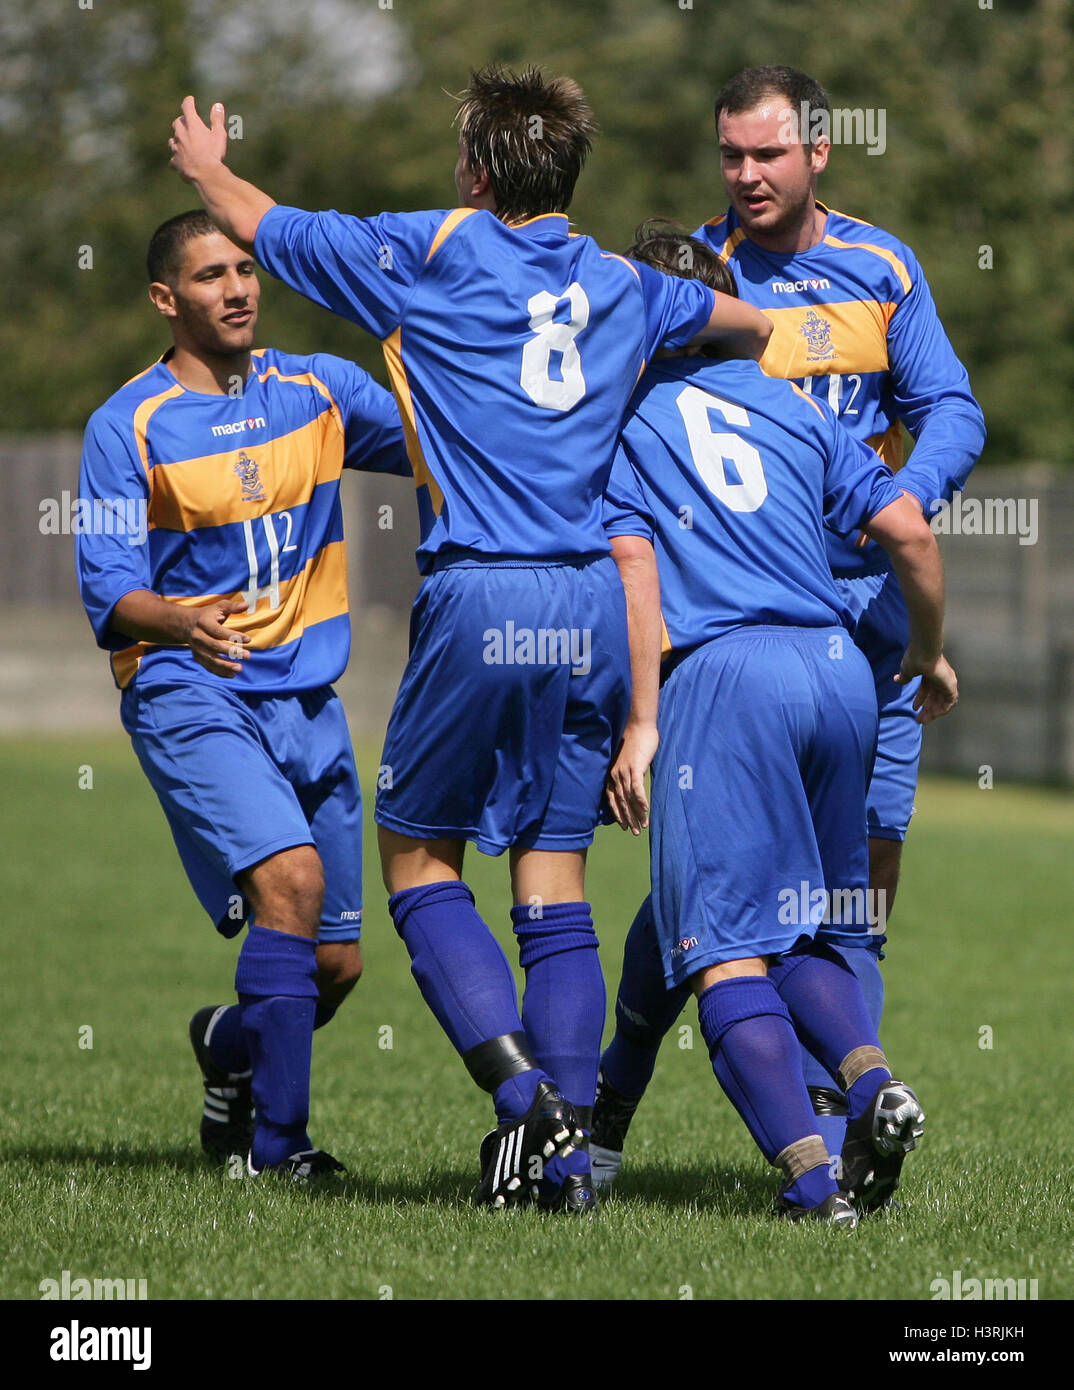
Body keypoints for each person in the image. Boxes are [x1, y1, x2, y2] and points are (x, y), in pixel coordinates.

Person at [167, 65, 772, 1211]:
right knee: (554, 879)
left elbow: (268, 224)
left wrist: (206, 168)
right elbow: (746, 321)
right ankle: (575, 1168)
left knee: (417, 860)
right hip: (593, 597)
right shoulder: (626, 283)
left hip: (484, 594)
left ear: (478, 171)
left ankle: (524, 1104)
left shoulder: (433, 249)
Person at [592, 66, 986, 1184]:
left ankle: (838, 1139)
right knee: (708, 899)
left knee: (845, 907)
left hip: (861, 634)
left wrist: (877, 509)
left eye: (768, 154)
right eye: (731, 155)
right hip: (764, 630)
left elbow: (950, 406)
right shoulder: (698, 285)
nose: (748, 175)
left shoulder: (882, 265)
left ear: (820, 152)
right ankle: (630, 1106)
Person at [76, 209, 409, 1179]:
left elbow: (443, 439)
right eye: (211, 274)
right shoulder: (123, 425)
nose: (237, 287)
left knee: (336, 964)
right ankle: (278, 1151)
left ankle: (228, 1045)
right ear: (164, 298)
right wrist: (180, 620)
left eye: (247, 269)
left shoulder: (319, 389)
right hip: (187, 684)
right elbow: (109, 591)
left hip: (308, 694)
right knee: (290, 885)